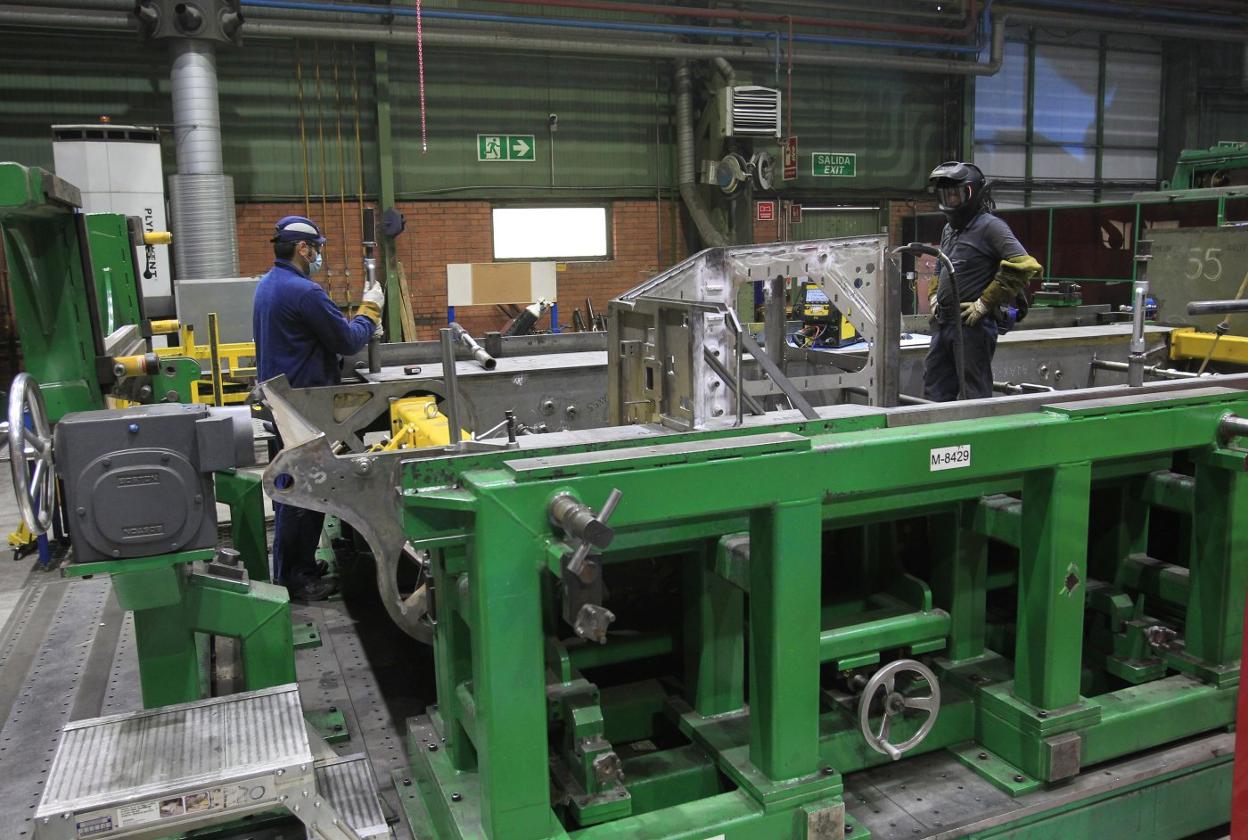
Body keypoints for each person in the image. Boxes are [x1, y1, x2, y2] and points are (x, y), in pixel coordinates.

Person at [253, 215, 384, 600]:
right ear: (302, 249)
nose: (319, 256)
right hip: (303, 405)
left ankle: (296, 567)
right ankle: (299, 580)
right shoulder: (303, 292)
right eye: (318, 249)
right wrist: (370, 311)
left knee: (291, 488)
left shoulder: (267, 285)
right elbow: (346, 340)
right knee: (305, 492)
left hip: (282, 400)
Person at [922, 161, 1043, 402]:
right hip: (944, 323)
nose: (950, 201)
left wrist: (985, 303)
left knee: (973, 393)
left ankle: (973, 440)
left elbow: (1026, 266)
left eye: (955, 194)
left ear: (972, 193)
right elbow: (941, 263)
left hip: (972, 327)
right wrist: (935, 295)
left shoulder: (991, 227)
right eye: (945, 195)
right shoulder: (949, 229)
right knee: (934, 390)